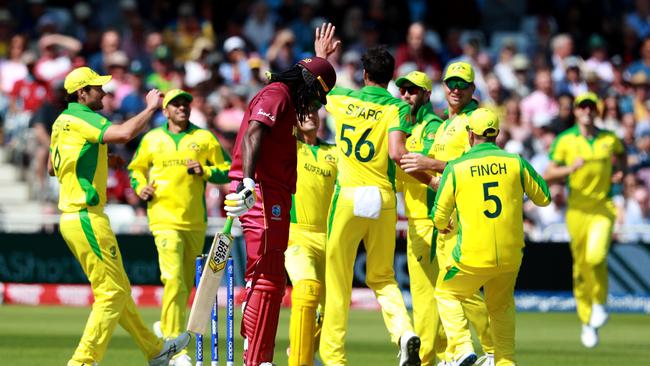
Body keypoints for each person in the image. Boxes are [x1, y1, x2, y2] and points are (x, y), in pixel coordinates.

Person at [49, 66, 190, 366]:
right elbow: (125, 133)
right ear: (81, 93)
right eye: (97, 88)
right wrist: (151, 108)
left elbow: (53, 167)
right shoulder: (84, 117)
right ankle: (83, 361)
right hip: (86, 215)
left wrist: (99, 156)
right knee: (112, 293)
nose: (104, 92)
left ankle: (155, 350)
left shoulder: (62, 121)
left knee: (120, 289)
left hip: (73, 217)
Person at [222, 23, 339, 366]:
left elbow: (309, 76)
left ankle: (258, 355)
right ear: (306, 85)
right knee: (268, 278)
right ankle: (256, 359)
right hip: (260, 191)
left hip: (272, 191)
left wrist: (321, 59)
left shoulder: (291, 94)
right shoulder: (278, 94)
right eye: (317, 96)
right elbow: (254, 133)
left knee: (270, 278)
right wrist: (246, 182)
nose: (315, 105)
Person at [319, 45, 421, 366]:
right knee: (383, 277)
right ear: (390, 78)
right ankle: (403, 333)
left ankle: (334, 359)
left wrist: (323, 55)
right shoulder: (397, 108)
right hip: (382, 196)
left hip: (348, 195)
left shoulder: (344, 98)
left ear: (364, 74)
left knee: (337, 281)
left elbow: (318, 82)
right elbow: (395, 152)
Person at [433, 108, 551, 366]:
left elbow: (439, 215)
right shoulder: (515, 162)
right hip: (510, 255)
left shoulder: (456, 167)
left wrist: (443, 225)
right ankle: (505, 361)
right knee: (502, 308)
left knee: (445, 293)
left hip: (471, 256)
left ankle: (462, 347)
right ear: (496, 133)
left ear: (469, 134)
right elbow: (544, 197)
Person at [400, 61, 495, 365]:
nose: (455, 89)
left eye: (462, 84)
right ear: (443, 86)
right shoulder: (445, 124)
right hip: (446, 215)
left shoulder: (475, 121)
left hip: (463, 215)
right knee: (448, 290)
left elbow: (476, 163)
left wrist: (429, 165)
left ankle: (493, 349)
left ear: (472, 89)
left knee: (460, 288)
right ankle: (457, 351)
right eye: (451, 83)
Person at [127, 89, 231, 366]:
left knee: (185, 284)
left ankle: (164, 326)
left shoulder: (204, 138)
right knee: (173, 279)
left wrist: (205, 171)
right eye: (176, 105)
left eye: (185, 104)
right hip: (163, 218)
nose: (182, 108)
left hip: (194, 220)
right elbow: (135, 169)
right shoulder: (152, 139)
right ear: (165, 111)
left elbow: (228, 169)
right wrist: (141, 187)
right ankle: (174, 344)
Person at [544, 92, 626, 348]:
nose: (587, 111)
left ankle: (600, 303)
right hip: (576, 210)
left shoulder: (609, 139)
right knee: (580, 268)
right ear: (576, 112)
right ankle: (587, 321)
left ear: (597, 110)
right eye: (583, 107)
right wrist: (571, 168)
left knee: (596, 257)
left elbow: (622, 156)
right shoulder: (565, 140)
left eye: (591, 106)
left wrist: (620, 171)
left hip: (602, 207)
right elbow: (548, 174)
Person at [394, 70, 446, 366]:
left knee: (428, 295)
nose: (406, 95)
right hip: (416, 220)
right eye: (403, 91)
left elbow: (419, 166)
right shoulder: (404, 128)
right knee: (428, 294)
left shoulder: (435, 127)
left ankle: (427, 359)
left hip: (432, 218)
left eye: (413, 91)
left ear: (426, 95)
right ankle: (446, 353)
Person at [284, 104, 338, 366]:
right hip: (297, 235)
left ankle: (303, 349)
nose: (311, 115)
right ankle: (298, 360)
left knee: (329, 312)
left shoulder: (334, 152)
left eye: (315, 111)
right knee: (306, 289)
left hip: (330, 238)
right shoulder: (289, 147)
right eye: (304, 112)